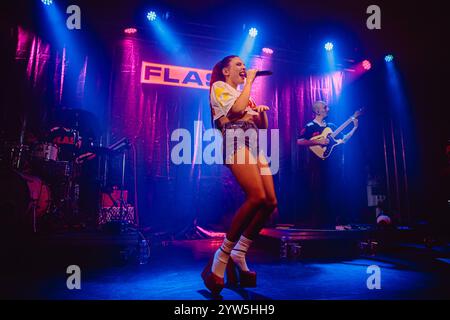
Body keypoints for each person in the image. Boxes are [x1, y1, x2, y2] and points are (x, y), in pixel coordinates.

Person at [202, 55, 277, 294]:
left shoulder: (245, 94)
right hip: (236, 141)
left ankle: (240, 250)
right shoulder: (220, 87)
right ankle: (222, 254)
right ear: (226, 71)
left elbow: (262, 127)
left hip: (254, 144)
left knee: (269, 202)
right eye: (238, 65)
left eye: (245, 65)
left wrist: (261, 111)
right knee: (255, 196)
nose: (244, 68)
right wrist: (249, 84)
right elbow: (235, 110)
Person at [297, 100, 358, 228]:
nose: (328, 109)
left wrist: (354, 128)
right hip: (316, 166)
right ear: (317, 111)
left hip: (332, 166)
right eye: (325, 107)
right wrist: (318, 142)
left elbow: (344, 139)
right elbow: (300, 141)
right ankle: (316, 223)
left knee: (334, 193)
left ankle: (332, 222)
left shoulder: (331, 126)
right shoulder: (309, 126)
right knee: (317, 194)